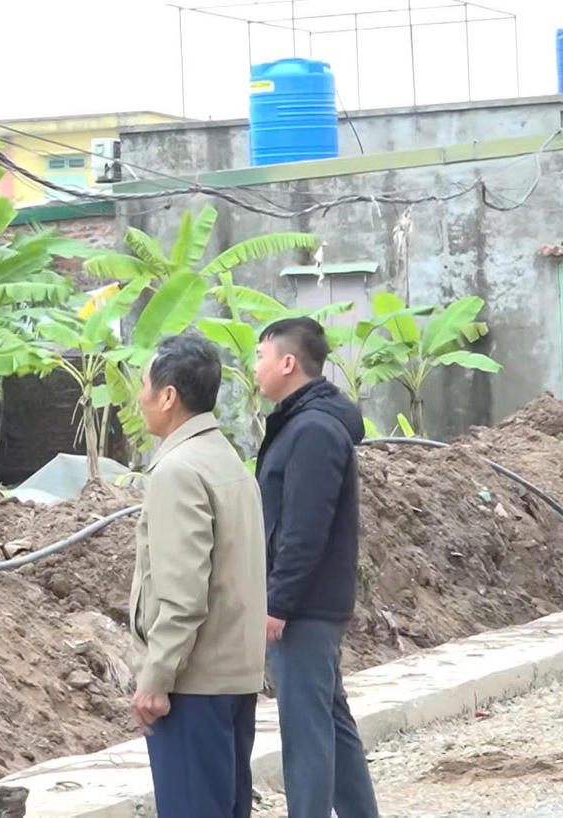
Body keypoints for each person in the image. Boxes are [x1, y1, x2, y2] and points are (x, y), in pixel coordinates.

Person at [128, 332, 268, 818]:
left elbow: (183, 595)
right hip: (234, 677)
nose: (139, 396)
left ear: (168, 396)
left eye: (144, 384)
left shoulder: (177, 472)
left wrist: (157, 677)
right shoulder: (226, 459)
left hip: (194, 682)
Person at [254, 317, 379, 818]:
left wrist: (278, 602)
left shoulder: (312, 430)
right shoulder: (303, 423)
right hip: (311, 603)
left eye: (261, 357)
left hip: (304, 608)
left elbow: (305, 528)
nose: (256, 367)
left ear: (287, 363)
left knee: (306, 734)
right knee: (332, 721)